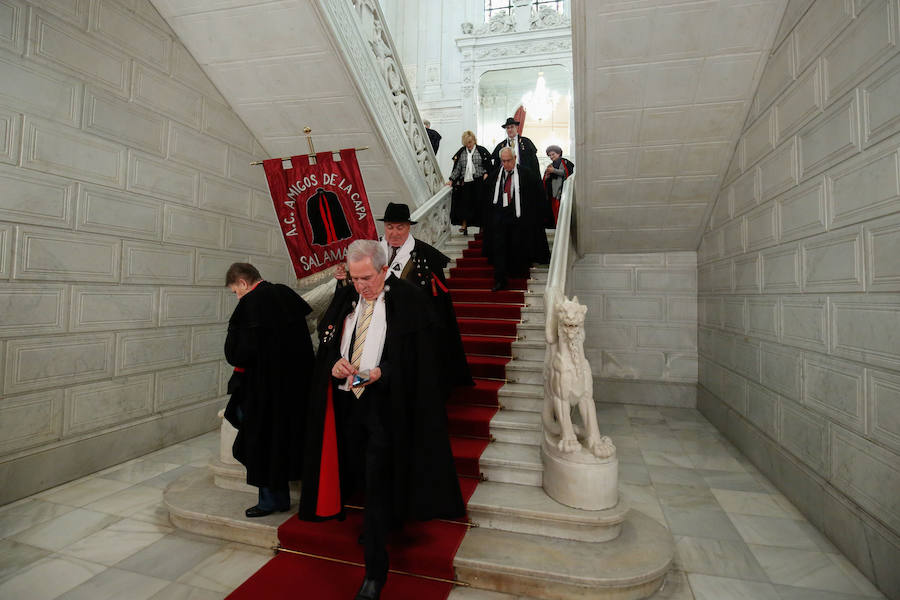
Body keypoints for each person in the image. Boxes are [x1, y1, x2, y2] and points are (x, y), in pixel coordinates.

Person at [300, 240, 465, 600]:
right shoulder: (347, 298)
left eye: (367, 278)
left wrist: (382, 372)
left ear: (384, 269)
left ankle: (374, 572)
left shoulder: (408, 300)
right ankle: (383, 518)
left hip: (388, 408)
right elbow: (327, 344)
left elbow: (421, 361)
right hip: (348, 406)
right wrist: (334, 364)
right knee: (361, 475)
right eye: (355, 278)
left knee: (376, 479)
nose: (361, 286)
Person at [335, 202, 472, 387]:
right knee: (365, 374)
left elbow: (436, 304)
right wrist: (344, 279)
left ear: (408, 227)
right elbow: (355, 287)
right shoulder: (370, 251)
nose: (394, 233)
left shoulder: (426, 256)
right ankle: (360, 385)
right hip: (369, 323)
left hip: (405, 330)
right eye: (390, 227)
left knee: (399, 377)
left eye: (400, 227)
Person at [223, 263, 315, 518]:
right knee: (281, 442)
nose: (237, 296)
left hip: (263, 390)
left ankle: (270, 501)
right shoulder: (285, 293)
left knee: (260, 443)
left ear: (243, 283)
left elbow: (237, 353)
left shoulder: (250, 303)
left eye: (236, 291)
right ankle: (280, 498)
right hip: (294, 387)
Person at [482, 146, 550, 292]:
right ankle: (500, 280)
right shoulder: (495, 176)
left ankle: (518, 275)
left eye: (508, 160)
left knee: (518, 245)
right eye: (503, 161)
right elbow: (487, 198)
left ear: (515, 158)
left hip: (519, 217)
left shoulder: (527, 174)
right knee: (499, 248)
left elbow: (536, 197)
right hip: (500, 217)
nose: (506, 164)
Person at [447, 130, 492, 236]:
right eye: (466, 143)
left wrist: (486, 173)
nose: (469, 145)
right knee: (465, 204)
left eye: (470, 142)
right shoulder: (462, 152)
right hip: (466, 182)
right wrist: (451, 179)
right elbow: (458, 168)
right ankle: (464, 224)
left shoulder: (481, 150)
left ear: (474, 140)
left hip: (479, 181)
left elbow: (488, 165)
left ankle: (482, 227)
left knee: (480, 204)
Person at [542, 145, 574, 227]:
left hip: (561, 192)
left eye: (553, 154)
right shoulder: (550, 165)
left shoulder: (564, 162)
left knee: (561, 213)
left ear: (559, 153)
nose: (551, 157)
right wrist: (547, 176)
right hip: (552, 193)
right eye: (549, 155)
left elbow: (567, 173)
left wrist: (554, 170)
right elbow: (545, 180)